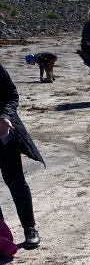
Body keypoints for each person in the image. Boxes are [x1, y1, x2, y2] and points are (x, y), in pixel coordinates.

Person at [0, 63, 43, 249]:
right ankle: (2, 237)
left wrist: (4, 116)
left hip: (3, 134)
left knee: (16, 182)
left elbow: (12, 95)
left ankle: (30, 228)